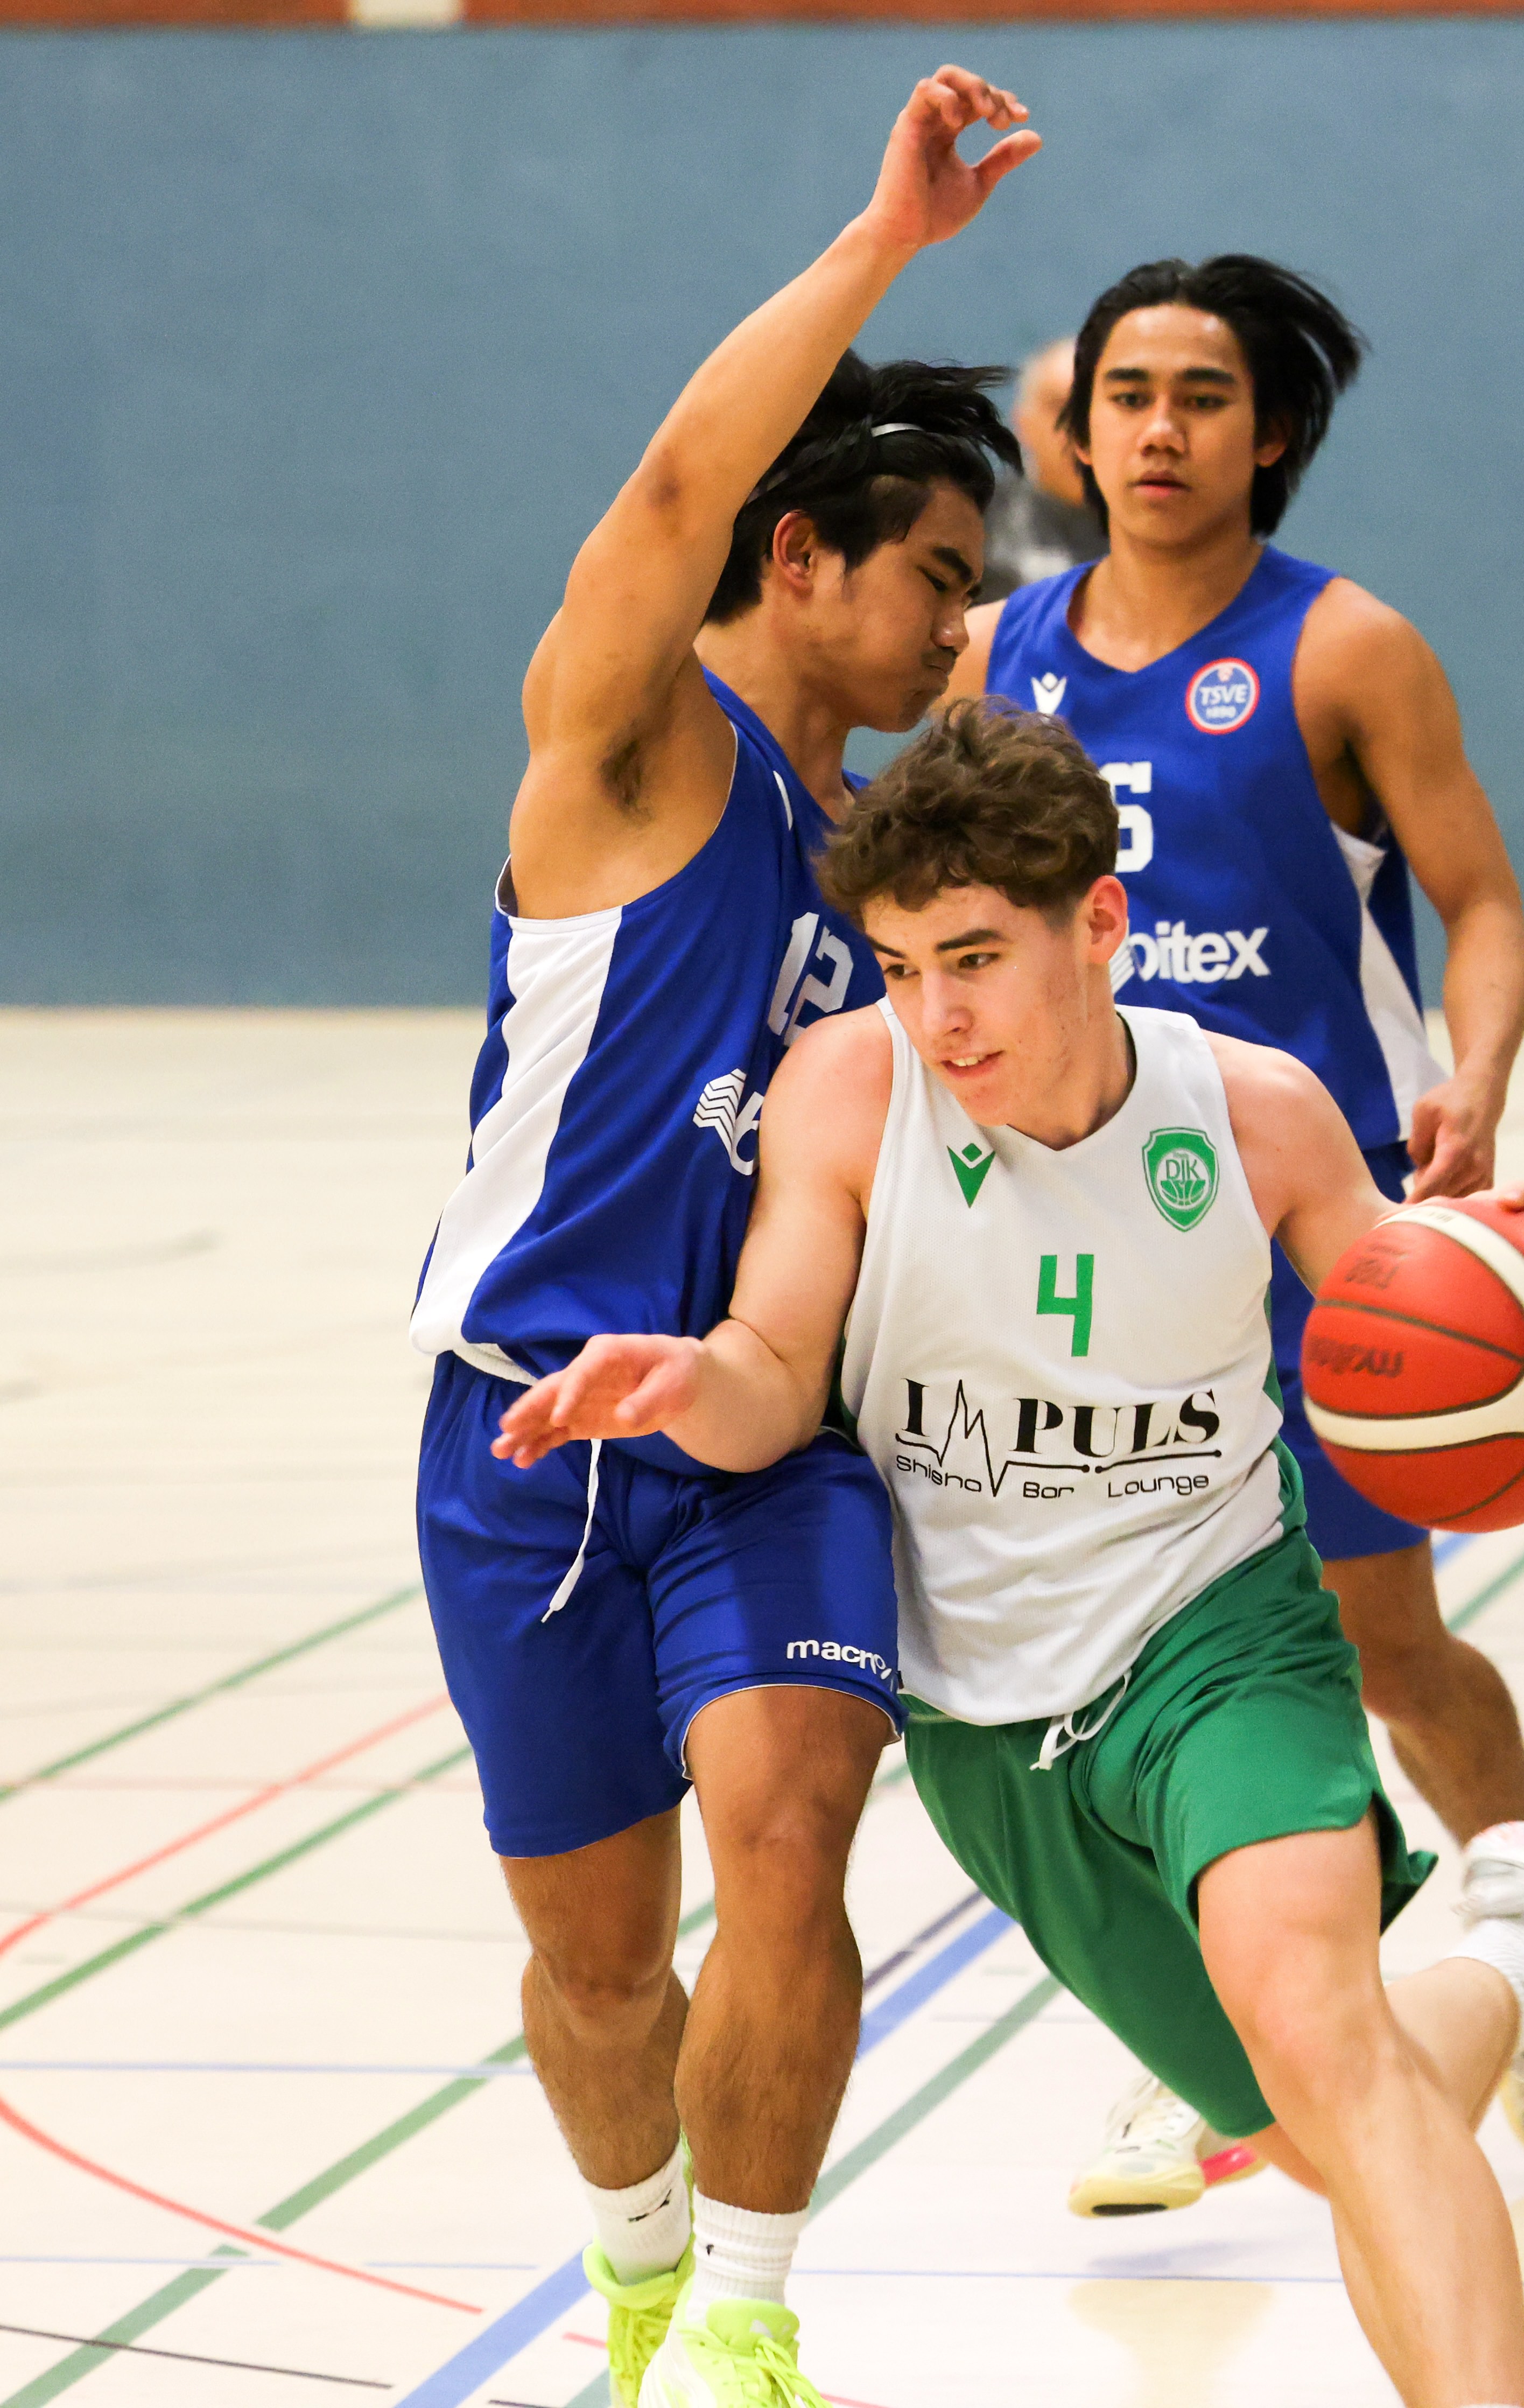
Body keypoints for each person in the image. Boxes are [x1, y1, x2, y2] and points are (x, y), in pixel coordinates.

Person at [493, 704, 1524, 2408]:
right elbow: (774, 1365)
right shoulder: (851, 1090)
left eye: (974, 959)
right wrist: (684, 1385)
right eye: (900, 966)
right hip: (991, 1722)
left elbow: (1420, 1319)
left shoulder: (1257, 1115)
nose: (937, 1013)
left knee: (1323, 2043)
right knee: (1321, 2128)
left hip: (1216, 1635)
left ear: (1098, 923)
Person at [409, 68, 1037, 2408]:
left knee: (788, 1840)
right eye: (937, 575)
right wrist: (884, 248)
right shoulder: (632, 742)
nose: (961, 624)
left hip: (772, 1441)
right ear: (800, 561)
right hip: (526, 1441)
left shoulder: (891, 864)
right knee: (601, 1974)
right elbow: (676, 483)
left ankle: (752, 2329)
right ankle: (647, 2276)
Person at [948, 253, 1524, 2203]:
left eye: (1200, 395)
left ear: (1272, 431)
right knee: (1131, 1650)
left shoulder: (1342, 648)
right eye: (1124, 394)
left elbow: (1479, 901)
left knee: (1382, 1641)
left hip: (1311, 1231)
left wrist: (1474, 1076)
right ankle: (1220, 2037)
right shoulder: (992, 657)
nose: (1156, 428)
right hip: (1086, 1251)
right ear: (1072, 432)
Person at [977, 335, 1106, 601]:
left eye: (1097, 406)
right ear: (1023, 423)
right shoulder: (975, 522)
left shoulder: (1172, 521)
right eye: (1060, 407)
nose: (1079, 427)